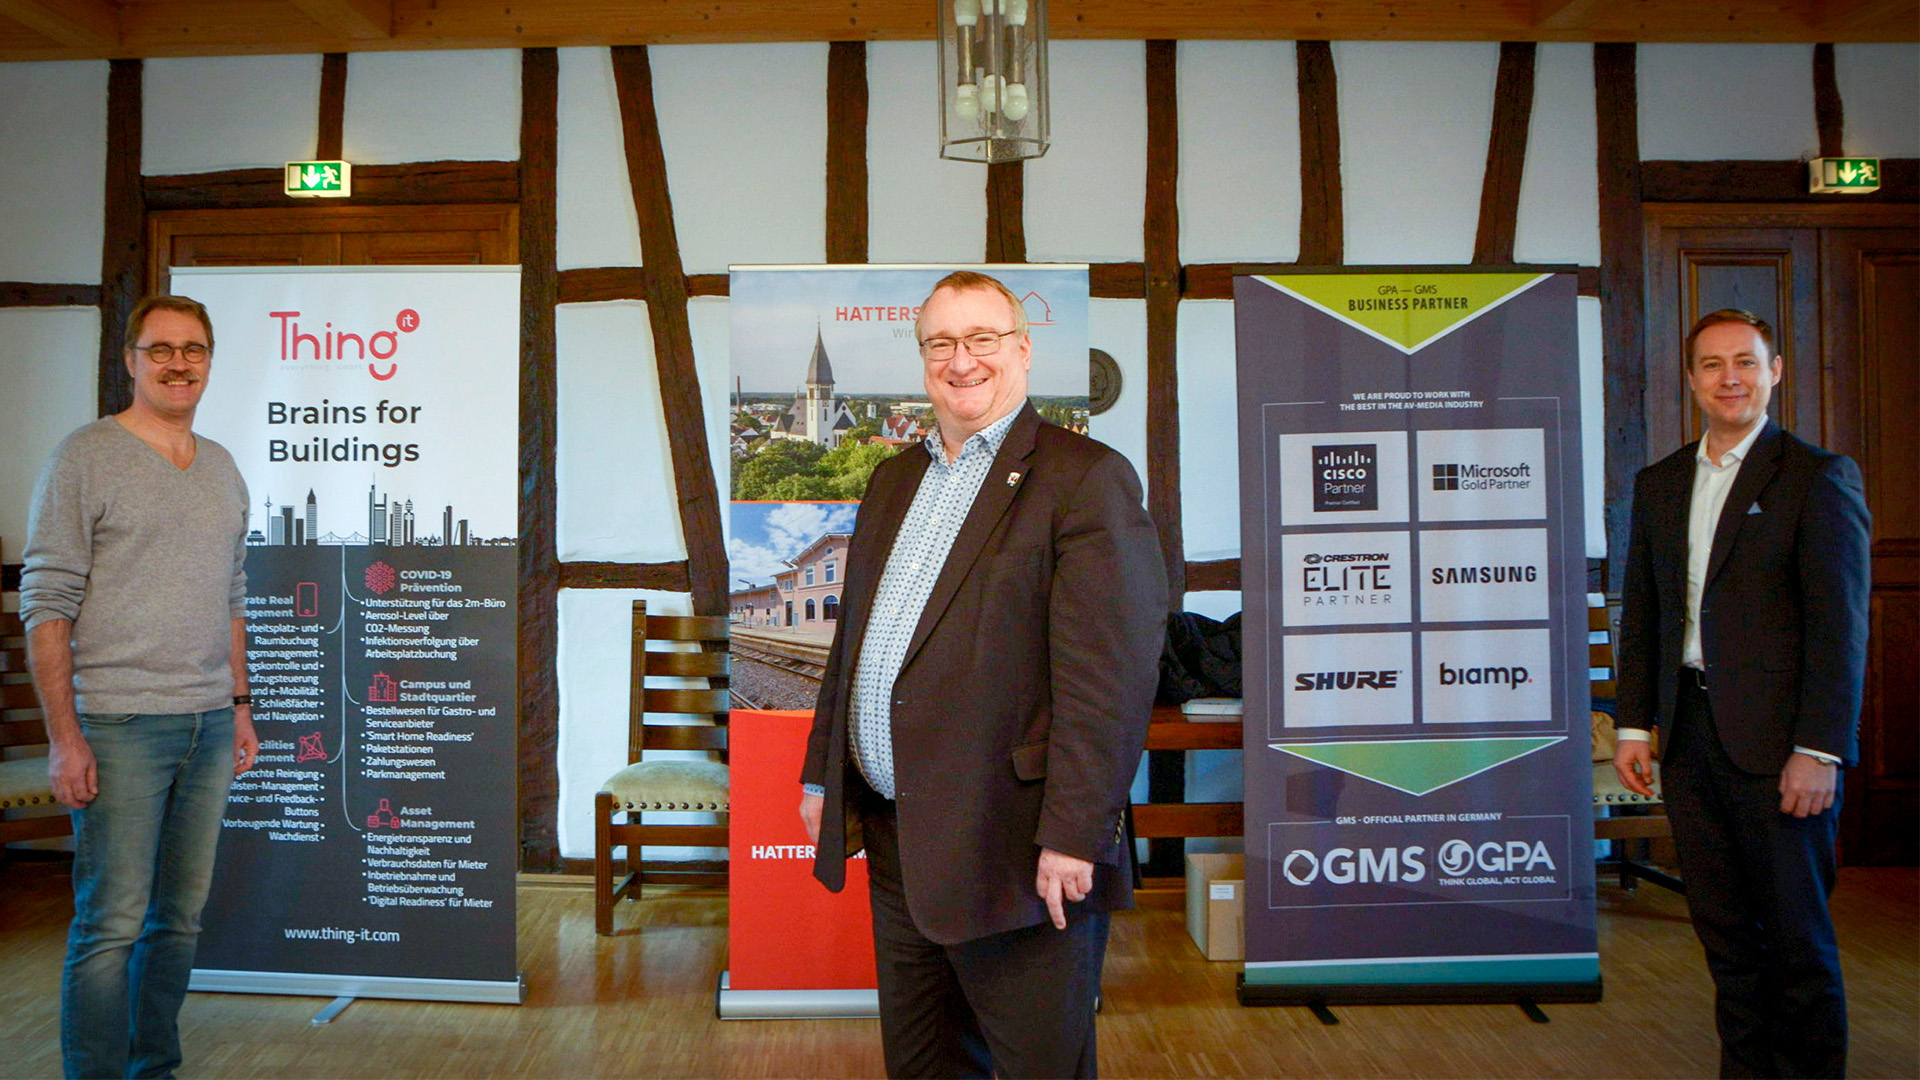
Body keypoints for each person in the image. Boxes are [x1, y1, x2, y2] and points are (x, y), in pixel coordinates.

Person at [798, 271, 1166, 1078]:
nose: (961, 361)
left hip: (1020, 852)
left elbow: (1109, 683)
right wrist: (822, 772)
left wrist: (1074, 834)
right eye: (941, 343)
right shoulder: (895, 480)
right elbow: (856, 644)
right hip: (900, 841)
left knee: (1038, 1065)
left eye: (982, 339)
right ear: (923, 356)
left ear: (1023, 350)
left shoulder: (1084, 480)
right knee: (924, 1065)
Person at [1613, 308, 1869, 1078]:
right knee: (1726, 938)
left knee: (1797, 941)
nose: (1732, 378)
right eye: (1714, 365)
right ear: (1690, 379)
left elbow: (1840, 629)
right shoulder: (1659, 484)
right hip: (1689, 738)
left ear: (1775, 371)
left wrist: (1818, 749)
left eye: (1747, 362)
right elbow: (1648, 615)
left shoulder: (1818, 477)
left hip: (1783, 749)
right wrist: (1632, 726)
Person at [23, 295, 257, 1080]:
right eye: (161, 349)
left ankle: (152, 1067)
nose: (178, 363)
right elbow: (46, 603)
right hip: (119, 725)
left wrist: (240, 706)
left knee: (178, 923)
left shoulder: (221, 465)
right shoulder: (84, 457)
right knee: (111, 925)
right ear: (131, 361)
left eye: (193, 349)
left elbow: (231, 595)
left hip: (209, 726)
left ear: (209, 361)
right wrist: (65, 736)